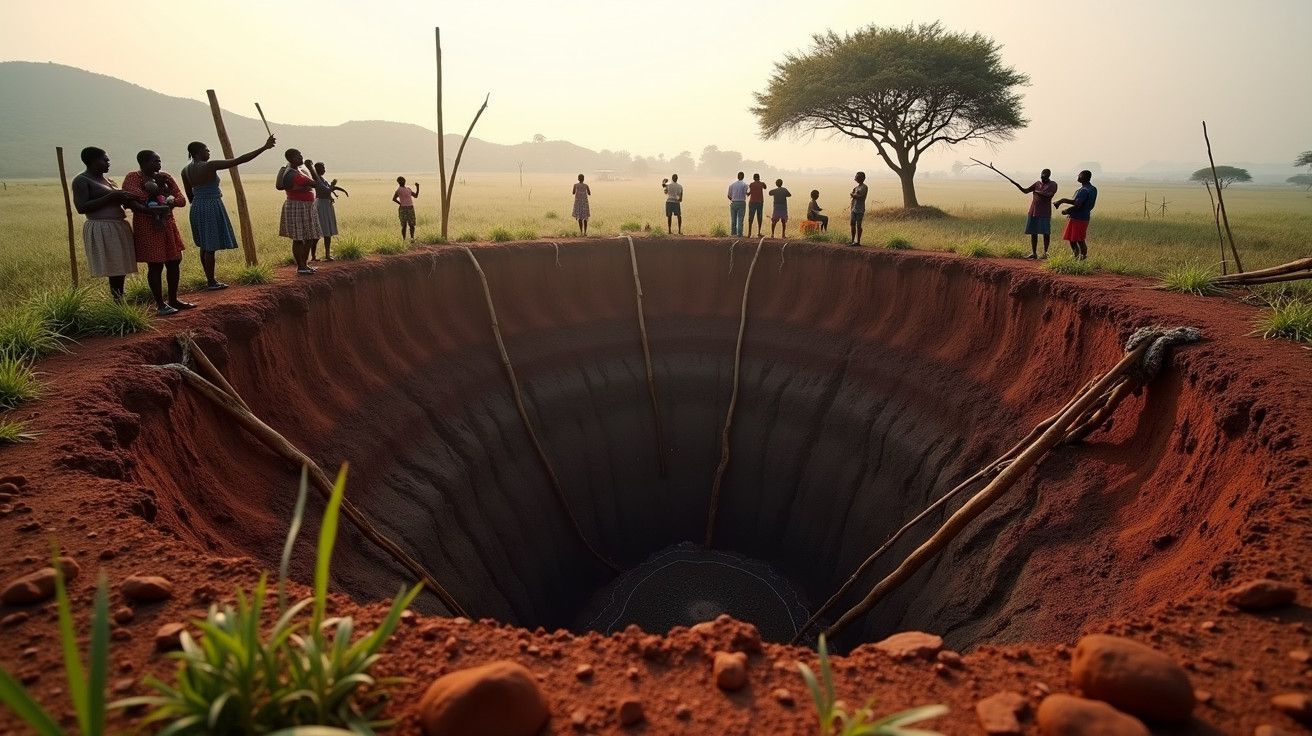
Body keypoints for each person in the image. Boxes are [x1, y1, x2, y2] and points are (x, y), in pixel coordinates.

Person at [181, 135, 276, 289]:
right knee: (210, 245)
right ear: (199, 152)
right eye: (207, 150)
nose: (209, 152)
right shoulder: (209, 165)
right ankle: (211, 282)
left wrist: (201, 200)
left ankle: (209, 279)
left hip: (197, 206)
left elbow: (189, 194)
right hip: (211, 205)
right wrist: (264, 147)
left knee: (205, 245)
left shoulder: (185, 170)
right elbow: (240, 160)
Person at [122, 150, 190, 315]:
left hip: (168, 223)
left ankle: (173, 299)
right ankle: (160, 304)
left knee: (174, 260)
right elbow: (134, 198)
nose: (159, 165)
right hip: (147, 226)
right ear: (143, 163)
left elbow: (181, 200)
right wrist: (162, 192)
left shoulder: (165, 177)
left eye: (159, 161)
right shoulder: (133, 178)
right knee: (156, 264)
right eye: (155, 161)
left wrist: (165, 195)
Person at [70, 147, 138, 302]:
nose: (108, 163)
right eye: (105, 159)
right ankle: (118, 300)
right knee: (114, 265)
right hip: (102, 226)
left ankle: (120, 297)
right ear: (93, 161)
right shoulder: (82, 180)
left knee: (120, 265)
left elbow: (118, 200)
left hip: (118, 225)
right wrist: (112, 196)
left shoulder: (109, 180)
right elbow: (81, 207)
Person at [276, 149, 322, 274]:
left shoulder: (291, 171)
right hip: (300, 206)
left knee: (308, 237)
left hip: (300, 205)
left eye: (301, 156)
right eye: (298, 157)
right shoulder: (295, 175)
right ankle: (301, 266)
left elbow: (279, 186)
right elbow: (317, 184)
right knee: (301, 238)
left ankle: (304, 265)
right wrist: (311, 167)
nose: (301, 158)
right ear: (291, 159)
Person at [1053, 170, 1098, 261]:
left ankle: (1078, 257)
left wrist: (1067, 210)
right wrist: (1061, 201)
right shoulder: (1092, 189)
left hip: (1077, 217)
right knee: (1077, 238)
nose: (1078, 177)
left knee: (1076, 239)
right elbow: (1077, 202)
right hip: (1085, 216)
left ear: (1084, 177)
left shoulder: (1083, 190)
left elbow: (1077, 205)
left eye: (1080, 175)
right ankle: (1080, 258)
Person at [1017, 168, 1058, 259]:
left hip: (1044, 212)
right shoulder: (1037, 184)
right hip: (1033, 211)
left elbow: (1049, 195)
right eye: (1042, 176)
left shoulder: (1053, 184)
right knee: (1033, 232)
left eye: (1045, 177)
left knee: (1046, 233)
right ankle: (1034, 253)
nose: (1043, 178)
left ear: (1049, 176)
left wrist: (1037, 192)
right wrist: (1017, 185)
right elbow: (1025, 191)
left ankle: (1045, 253)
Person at [311, 161, 348, 261]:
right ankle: (314, 256)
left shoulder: (321, 179)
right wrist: (333, 185)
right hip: (322, 205)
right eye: (323, 168)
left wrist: (337, 191)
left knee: (328, 231)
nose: (324, 170)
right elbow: (326, 190)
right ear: (317, 169)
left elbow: (328, 190)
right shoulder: (317, 179)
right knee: (319, 231)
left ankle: (326, 254)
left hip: (326, 205)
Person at [392, 176, 419, 241]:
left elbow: (415, 196)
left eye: (403, 180)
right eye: (401, 181)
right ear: (398, 182)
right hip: (403, 209)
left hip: (410, 208)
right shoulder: (399, 190)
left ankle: (412, 238)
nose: (402, 182)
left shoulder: (408, 189)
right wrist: (400, 203)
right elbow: (394, 199)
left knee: (412, 225)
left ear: (405, 181)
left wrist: (417, 188)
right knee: (404, 225)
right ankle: (404, 240)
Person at [849, 171, 869, 246]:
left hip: (860, 209)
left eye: (858, 176)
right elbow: (855, 196)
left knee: (859, 225)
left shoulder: (864, 187)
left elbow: (861, 197)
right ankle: (853, 241)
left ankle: (858, 241)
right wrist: (854, 195)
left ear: (862, 178)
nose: (856, 178)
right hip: (854, 208)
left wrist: (853, 194)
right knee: (852, 224)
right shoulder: (857, 187)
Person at [727, 171, 747, 236]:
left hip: (733, 203)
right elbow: (746, 193)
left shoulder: (732, 185)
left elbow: (729, 196)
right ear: (743, 177)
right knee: (740, 219)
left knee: (733, 219)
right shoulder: (744, 185)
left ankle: (733, 233)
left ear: (737, 177)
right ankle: (740, 234)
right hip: (741, 203)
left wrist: (733, 200)